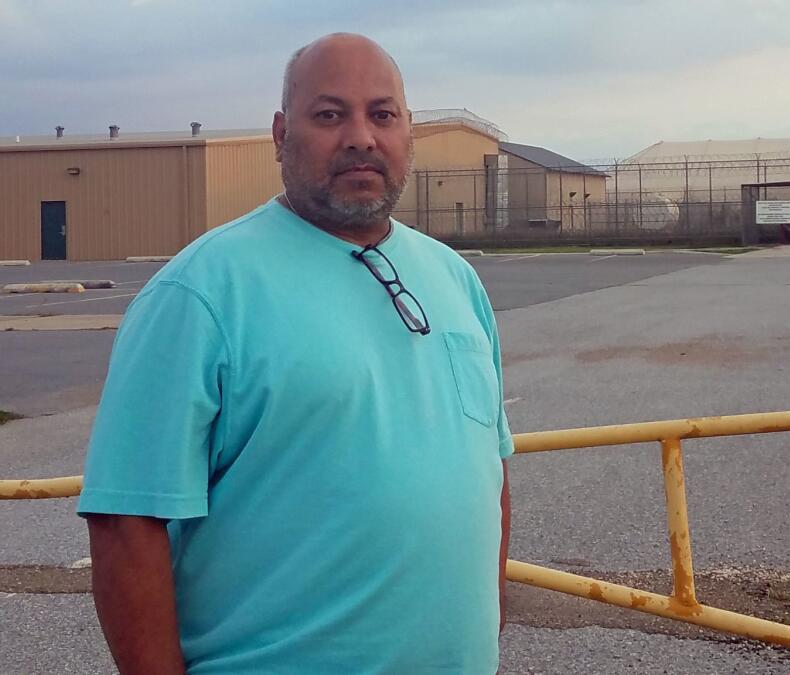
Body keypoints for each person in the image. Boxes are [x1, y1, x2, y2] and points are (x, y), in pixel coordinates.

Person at [78, 33, 513, 674]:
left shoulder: (454, 279)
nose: (361, 137)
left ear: (407, 132)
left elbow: (491, 468)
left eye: (382, 114)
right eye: (330, 115)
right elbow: (125, 523)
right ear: (281, 134)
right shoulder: (200, 294)